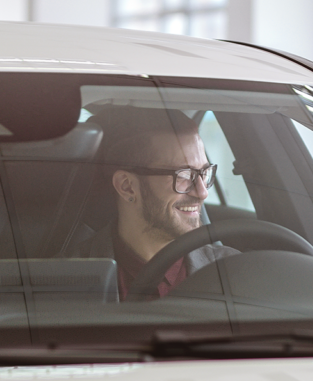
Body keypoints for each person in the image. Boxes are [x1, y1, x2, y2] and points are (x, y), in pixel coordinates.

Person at [63, 108, 237, 299]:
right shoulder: (65, 280)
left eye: (204, 173)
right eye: (184, 175)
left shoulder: (235, 271)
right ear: (127, 186)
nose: (203, 192)